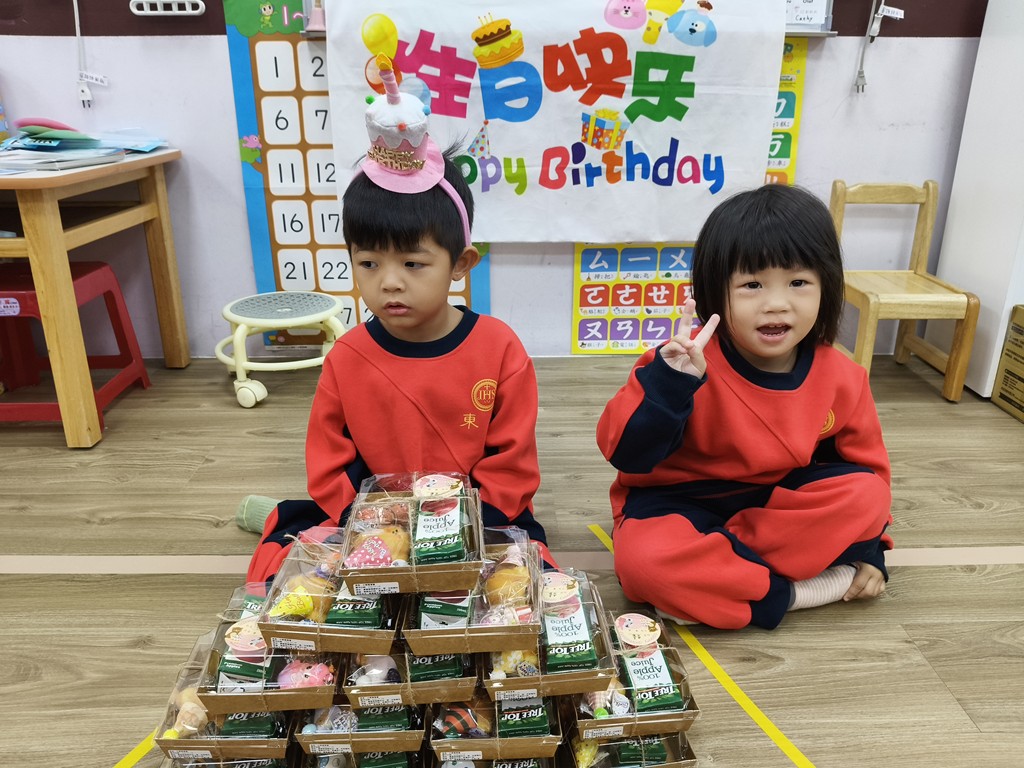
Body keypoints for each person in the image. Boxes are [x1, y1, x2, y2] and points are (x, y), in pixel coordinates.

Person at [247, 55, 552, 584]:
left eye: (413, 264)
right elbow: (330, 458)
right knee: (301, 574)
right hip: (374, 521)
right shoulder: (348, 356)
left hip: (478, 520)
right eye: (369, 263)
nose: (389, 282)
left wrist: (461, 531)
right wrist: (369, 523)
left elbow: (512, 461)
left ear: (460, 263)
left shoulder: (499, 348)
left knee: (525, 584)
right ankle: (273, 519)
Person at [596, 183, 893, 630]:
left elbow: (866, 473)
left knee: (869, 495)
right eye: (752, 285)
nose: (776, 303)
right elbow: (625, 454)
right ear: (715, 292)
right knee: (644, 563)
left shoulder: (842, 375)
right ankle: (791, 593)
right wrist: (669, 386)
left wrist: (872, 548)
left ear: (827, 286)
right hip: (679, 503)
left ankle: (722, 578)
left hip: (776, 507)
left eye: (798, 282)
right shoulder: (680, 362)